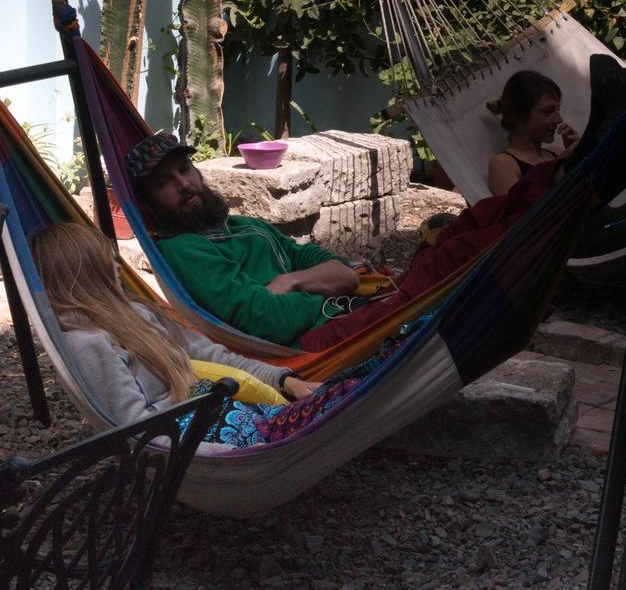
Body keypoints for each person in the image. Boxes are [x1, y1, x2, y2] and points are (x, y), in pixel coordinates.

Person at [31, 221, 352, 446]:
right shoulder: (86, 343)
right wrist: (222, 451)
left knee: (350, 394)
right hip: (202, 441)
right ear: (88, 274)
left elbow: (216, 357)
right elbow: (134, 430)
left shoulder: (139, 313)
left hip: (232, 412)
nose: (118, 267)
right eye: (107, 261)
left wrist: (285, 380)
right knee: (337, 412)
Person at [125, 133, 400, 351]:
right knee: (425, 284)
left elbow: (345, 275)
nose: (183, 184)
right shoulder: (182, 249)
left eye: (185, 169)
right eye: (163, 184)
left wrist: (290, 282)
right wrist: (322, 291)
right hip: (312, 343)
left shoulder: (245, 226)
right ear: (148, 204)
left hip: (343, 315)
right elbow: (267, 320)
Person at [486, 70, 580, 197]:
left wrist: (579, 155)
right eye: (547, 112)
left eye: (558, 110)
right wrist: (564, 165)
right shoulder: (504, 164)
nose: (559, 120)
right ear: (519, 116)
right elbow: (523, 211)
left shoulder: (556, 152)